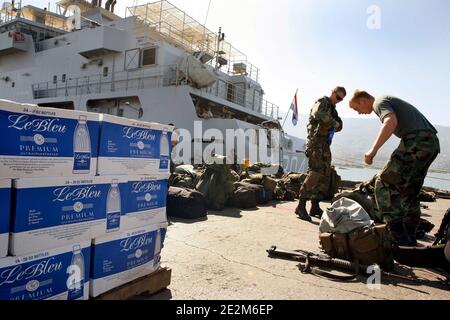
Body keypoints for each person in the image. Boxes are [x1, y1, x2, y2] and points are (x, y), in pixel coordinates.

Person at [349, 91, 440, 246]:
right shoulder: (389, 100)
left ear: (363, 100)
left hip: (416, 141)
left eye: (356, 108)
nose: (359, 113)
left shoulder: (380, 102)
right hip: (431, 143)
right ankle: (409, 236)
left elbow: (390, 122)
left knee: (383, 182)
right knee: (410, 189)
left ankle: (397, 233)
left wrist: (373, 150)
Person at [296, 87, 346, 222]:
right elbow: (318, 114)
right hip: (316, 142)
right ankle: (301, 205)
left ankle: (315, 205)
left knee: (325, 174)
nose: (339, 101)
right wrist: (333, 123)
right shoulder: (322, 102)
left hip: (325, 144)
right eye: (338, 97)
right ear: (332, 92)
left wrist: (334, 123)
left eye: (341, 99)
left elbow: (340, 125)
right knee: (315, 172)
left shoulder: (333, 109)